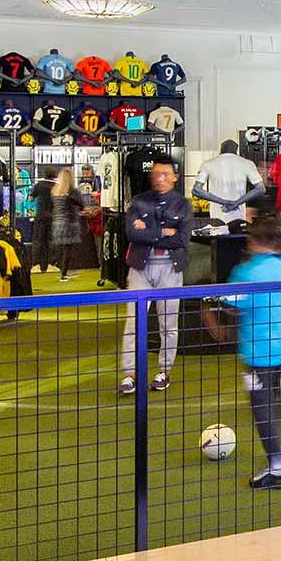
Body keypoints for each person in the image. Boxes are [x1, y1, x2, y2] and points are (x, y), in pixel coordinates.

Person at [224, 215, 281, 490]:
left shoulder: (247, 272)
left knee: (262, 406)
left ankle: (277, 467)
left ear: (253, 241)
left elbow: (231, 305)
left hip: (258, 353)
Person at [118, 154, 191, 396]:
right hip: (140, 267)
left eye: (165, 174)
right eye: (156, 174)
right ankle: (130, 374)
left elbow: (181, 239)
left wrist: (148, 230)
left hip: (170, 268)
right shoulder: (139, 201)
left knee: (168, 324)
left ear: (175, 177)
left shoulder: (183, 205)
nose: (160, 178)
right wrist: (163, 231)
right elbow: (132, 234)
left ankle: (164, 371)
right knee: (133, 322)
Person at [194, 139, 266, 228]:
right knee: (237, 233)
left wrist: (223, 202)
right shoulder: (247, 163)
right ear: (236, 150)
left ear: (221, 148)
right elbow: (261, 189)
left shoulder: (208, 163)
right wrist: (236, 203)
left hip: (217, 216)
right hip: (238, 216)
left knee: (217, 233)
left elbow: (196, 190)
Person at [42, 167, 97, 280]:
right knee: (68, 249)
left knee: (61, 249)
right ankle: (64, 274)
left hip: (57, 222)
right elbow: (82, 205)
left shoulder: (55, 191)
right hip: (70, 223)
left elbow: (51, 207)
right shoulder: (73, 191)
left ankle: (61, 271)